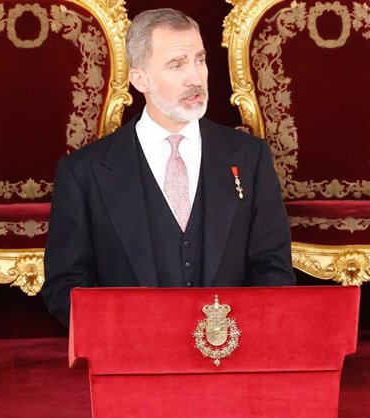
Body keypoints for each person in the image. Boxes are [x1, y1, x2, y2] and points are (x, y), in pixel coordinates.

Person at [42, 8, 295, 326]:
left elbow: (274, 269)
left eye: (200, 59)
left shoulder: (250, 157)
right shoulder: (83, 173)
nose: (196, 77)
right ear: (139, 79)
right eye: (177, 64)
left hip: (230, 362)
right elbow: (65, 287)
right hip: (132, 363)